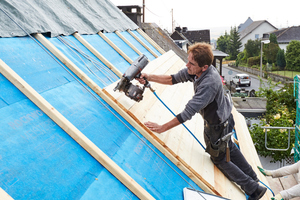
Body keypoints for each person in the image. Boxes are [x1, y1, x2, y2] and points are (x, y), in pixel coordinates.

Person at [137, 42, 267, 200]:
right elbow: (173, 79)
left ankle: (253, 188)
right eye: (188, 60)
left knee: (219, 159)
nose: (187, 65)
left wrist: (162, 127)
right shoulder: (197, 71)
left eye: (191, 63)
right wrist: (148, 76)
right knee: (230, 148)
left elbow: (187, 113)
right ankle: (253, 178)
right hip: (225, 117)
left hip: (218, 125)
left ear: (204, 67)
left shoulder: (209, 84)